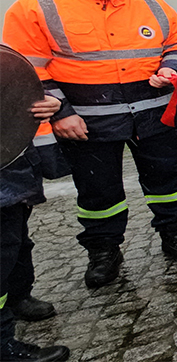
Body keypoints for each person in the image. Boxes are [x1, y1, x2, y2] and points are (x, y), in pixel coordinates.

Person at [3, 0, 177, 290]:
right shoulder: (36, 8)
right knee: (98, 192)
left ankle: (176, 234)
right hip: (88, 123)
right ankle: (104, 251)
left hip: (153, 117)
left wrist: (172, 67)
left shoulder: (150, 5)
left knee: (168, 182)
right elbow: (26, 69)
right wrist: (62, 112)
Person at [1, 92, 70, 362]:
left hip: (11, 169)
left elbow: (18, 85)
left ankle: (18, 298)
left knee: (16, 242)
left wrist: (49, 100)